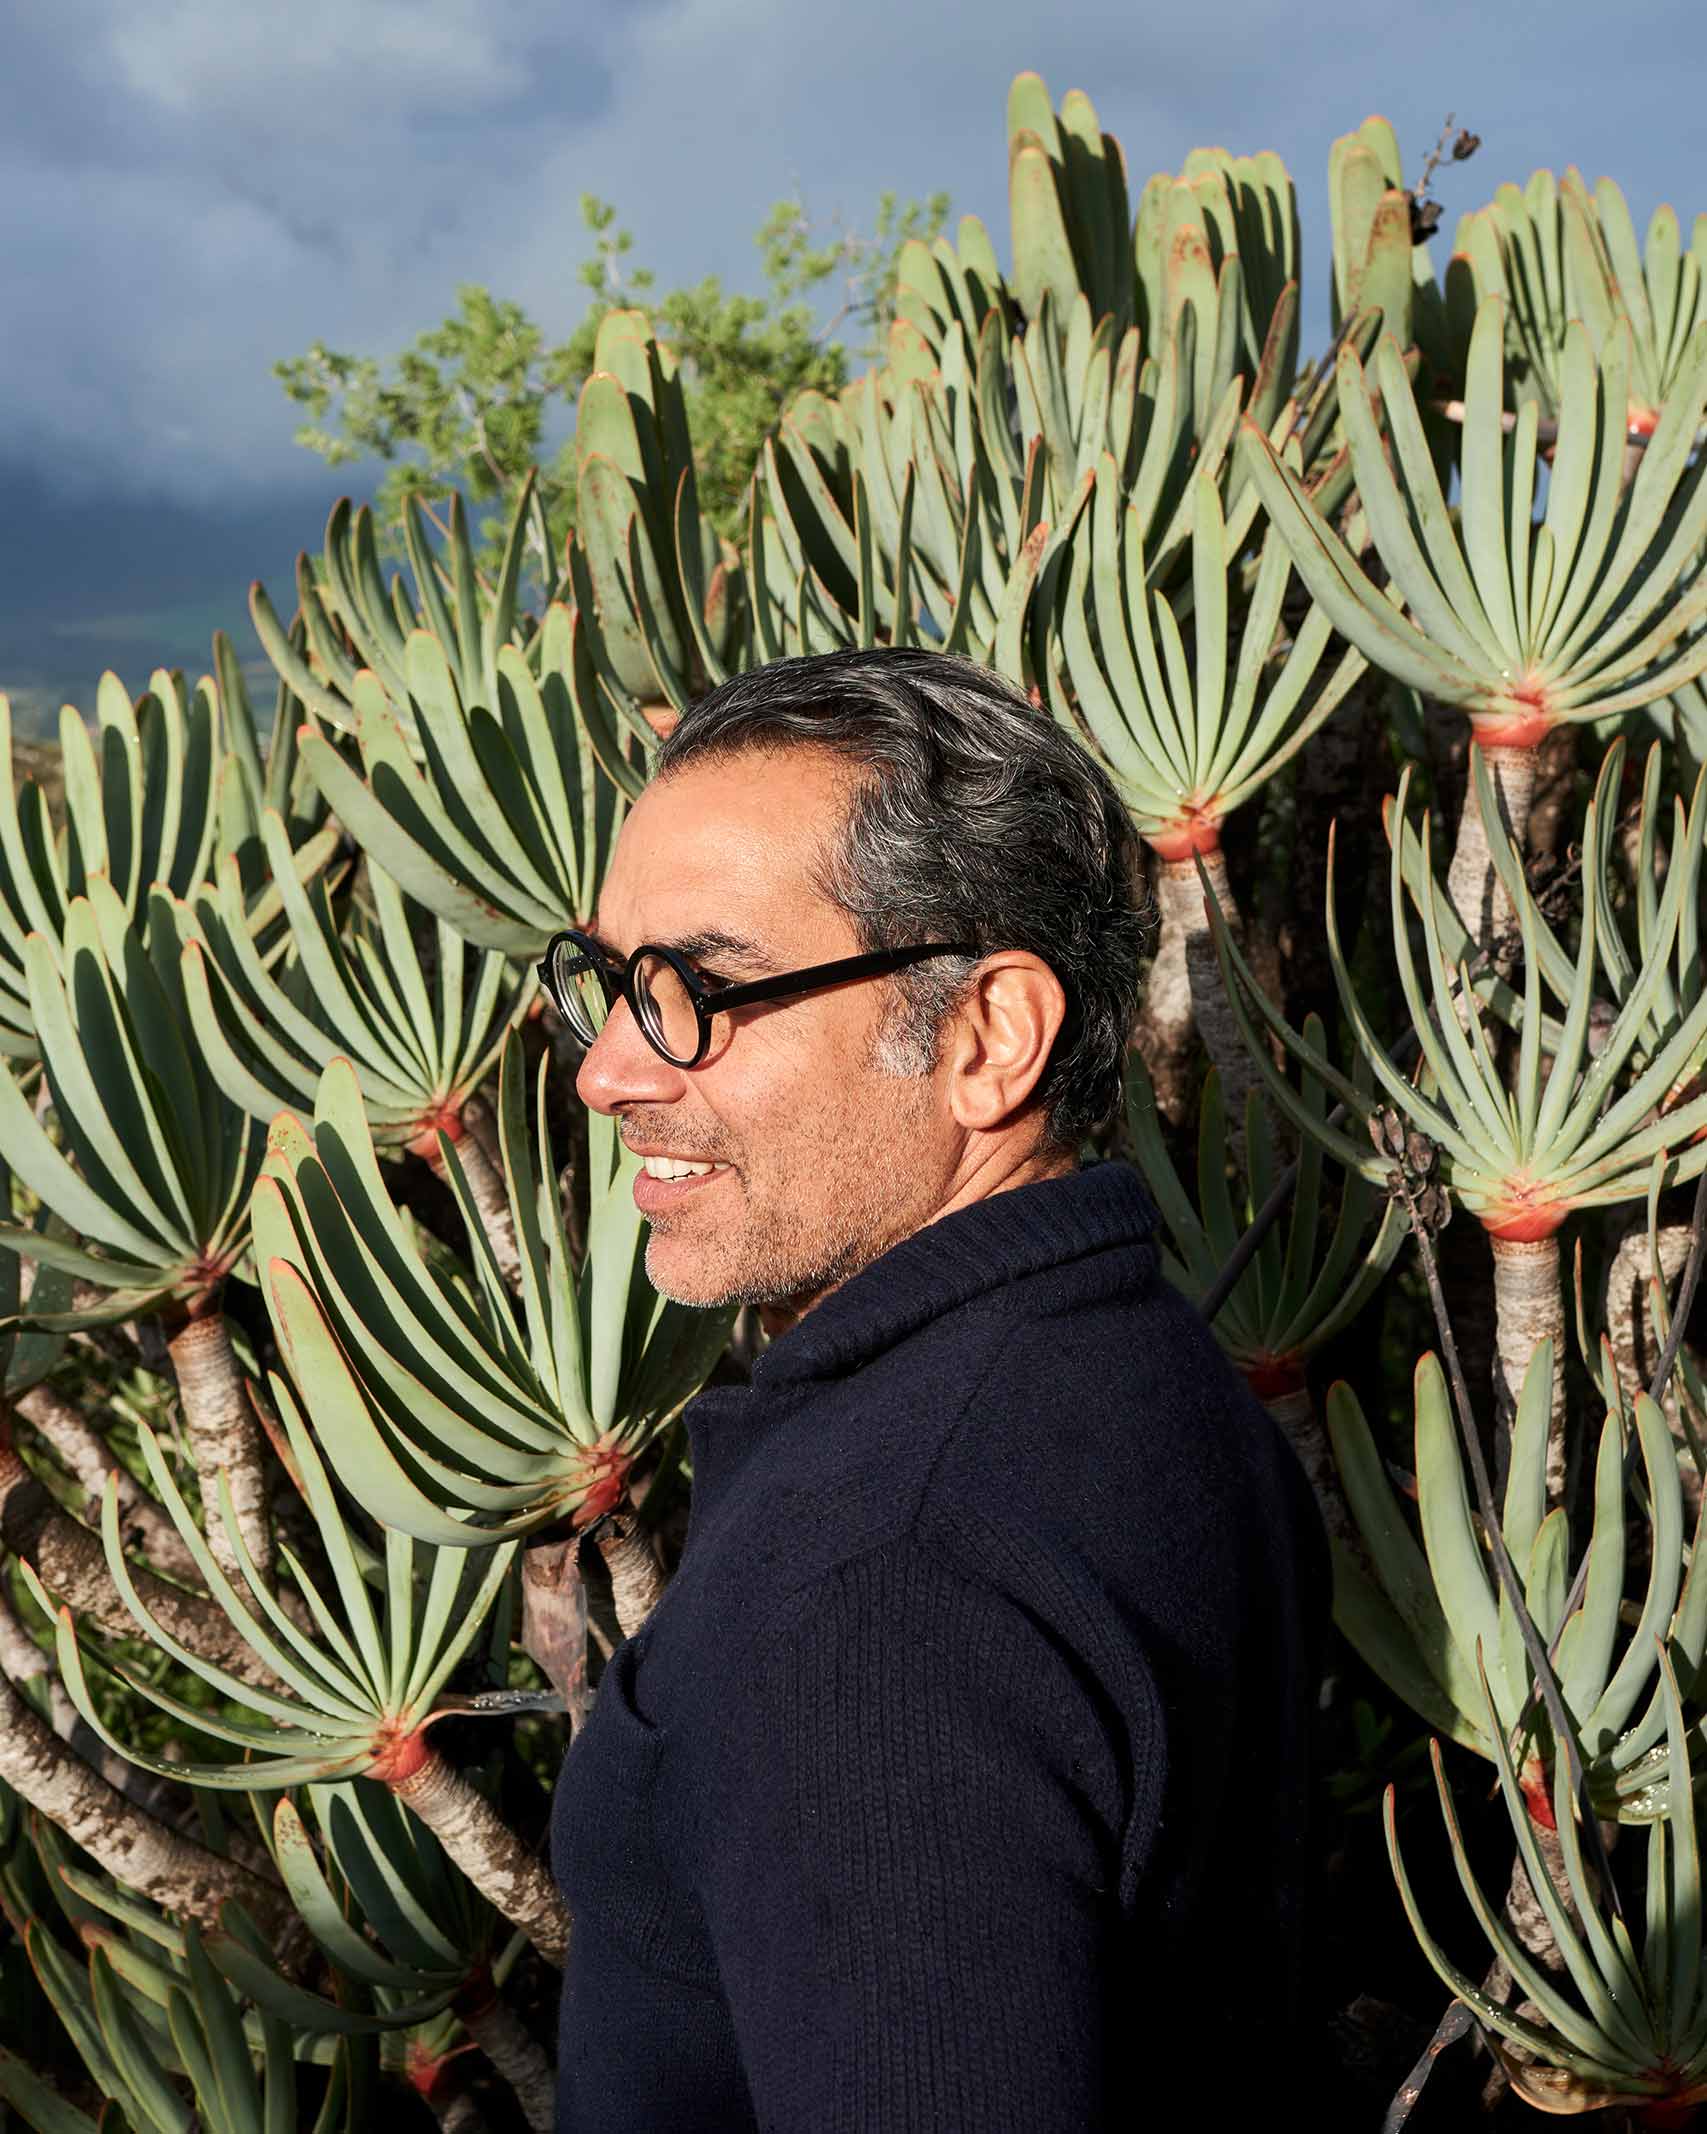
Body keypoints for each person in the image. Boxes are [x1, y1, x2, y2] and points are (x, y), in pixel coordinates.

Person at [545, 646, 1326, 2130]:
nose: (606, 1074)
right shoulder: (1136, 1365)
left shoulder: (884, 1582)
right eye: (609, 985)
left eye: (699, 989)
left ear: (987, 1037)